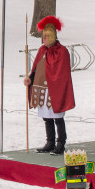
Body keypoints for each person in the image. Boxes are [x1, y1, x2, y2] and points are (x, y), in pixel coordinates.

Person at [25, 15, 75, 156]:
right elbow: (36, 68)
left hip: (56, 90)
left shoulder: (62, 51)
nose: (44, 39)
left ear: (52, 36)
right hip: (43, 89)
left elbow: (62, 73)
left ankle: (60, 144)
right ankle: (50, 142)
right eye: (43, 37)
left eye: (46, 36)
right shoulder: (42, 50)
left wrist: (55, 83)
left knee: (57, 117)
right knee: (46, 117)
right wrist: (30, 79)